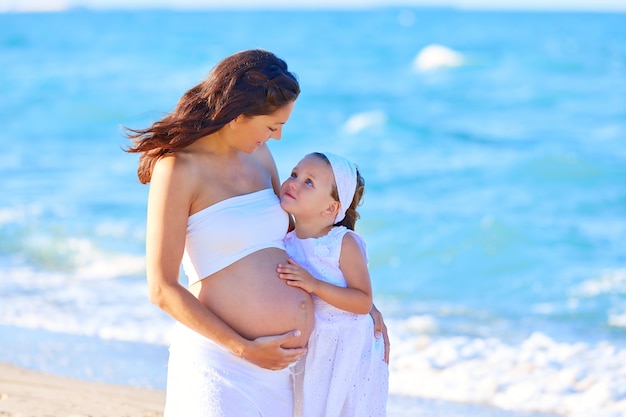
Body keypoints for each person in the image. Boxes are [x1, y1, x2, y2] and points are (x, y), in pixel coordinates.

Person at [123, 49, 389, 417]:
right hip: (219, 360)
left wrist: (362, 306)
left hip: (282, 372)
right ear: (237, 115)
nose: (277, 138)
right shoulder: (178, 169)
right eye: (271, 126)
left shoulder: (260, 157)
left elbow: (301, 240)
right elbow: (161, 289)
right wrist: (241, 348)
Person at [277, 152, 389, 417]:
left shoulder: (342, 243)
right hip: (314, 346)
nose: (293, 182)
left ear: (331, 209)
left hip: (348, 348)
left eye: (309, 182)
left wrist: (314, 284)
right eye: (294, 174)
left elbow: (362, 301)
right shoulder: (285, 240)